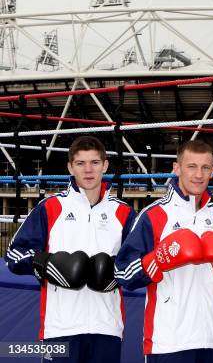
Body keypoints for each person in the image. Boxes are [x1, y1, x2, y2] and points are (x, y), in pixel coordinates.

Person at [4, 135, 136, 363]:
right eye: (80, 163)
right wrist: (47, 265)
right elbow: (14, 256)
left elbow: (138, 263)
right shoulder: (51, 207)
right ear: (70, 167)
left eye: (94, 162)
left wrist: (116, 273)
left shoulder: (124, 213)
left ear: (105, 165)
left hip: (107, 327)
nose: (88, 170)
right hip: (59, 328)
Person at [114, 140, 213, 363]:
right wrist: (158, 259)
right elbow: (123, 273)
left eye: (205, 167)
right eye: (191, 166)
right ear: (177, 168)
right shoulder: (154, 215)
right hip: (168, 340)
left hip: (212, 336)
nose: (198, 174)